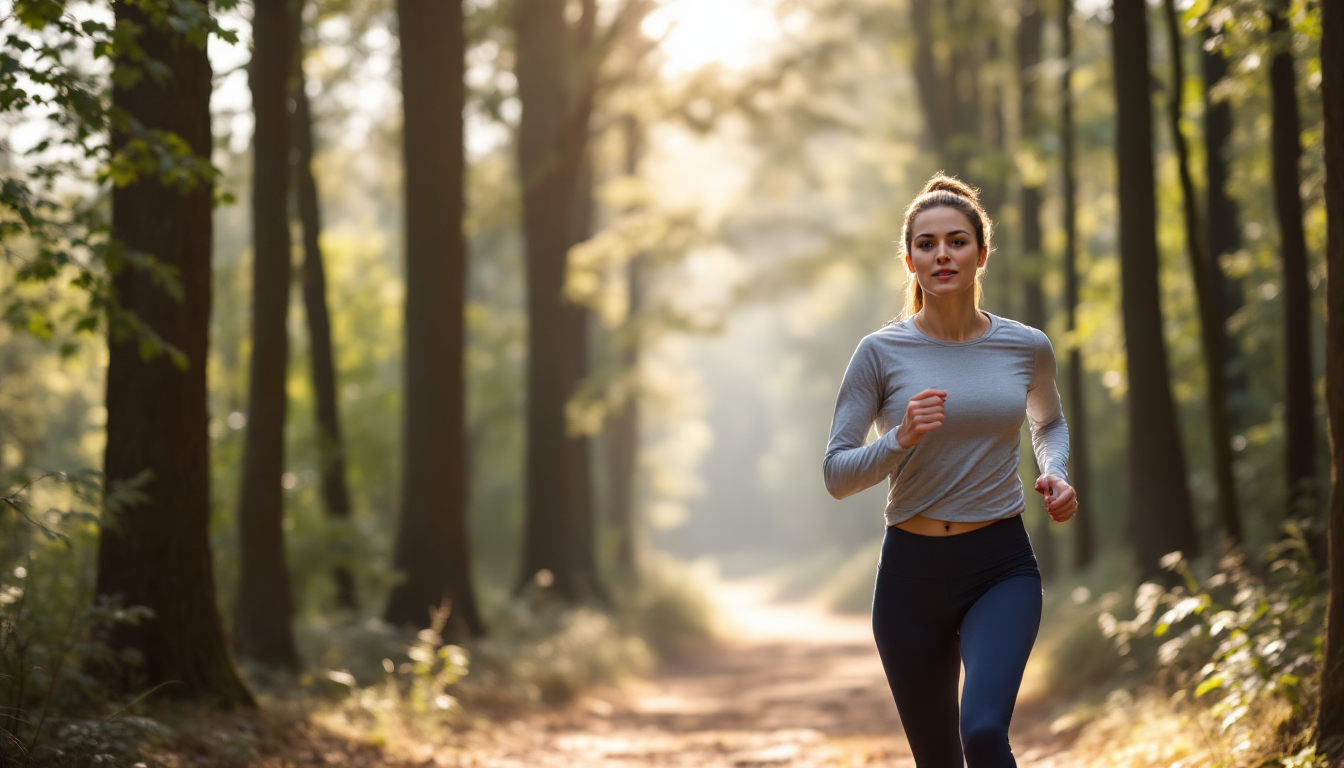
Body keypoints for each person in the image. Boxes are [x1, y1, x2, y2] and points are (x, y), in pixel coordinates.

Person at [823, 173, 1078, 768]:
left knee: (984, 732)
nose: (942, 254)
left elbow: (1049, 423)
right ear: (909, 259)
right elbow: (837, 474)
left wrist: (1056, 471)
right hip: (910, 576)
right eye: (927, 243)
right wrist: (900, 440)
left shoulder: (1026, 346)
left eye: (957, 241)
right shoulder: (879, 353)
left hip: (999, 565)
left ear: (981, 254)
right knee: (938, 761)